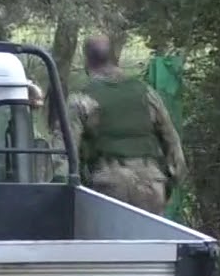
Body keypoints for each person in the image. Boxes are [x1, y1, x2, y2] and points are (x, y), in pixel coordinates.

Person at [58, 34, 186, 214]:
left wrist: (64, 189)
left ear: (87, 61)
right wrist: (173, 178)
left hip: (109, 184)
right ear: (114, 57)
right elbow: (170, 137)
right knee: (152, 239)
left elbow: (66, 150)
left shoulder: (82, 99)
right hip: (152, 183)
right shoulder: (145, 93)